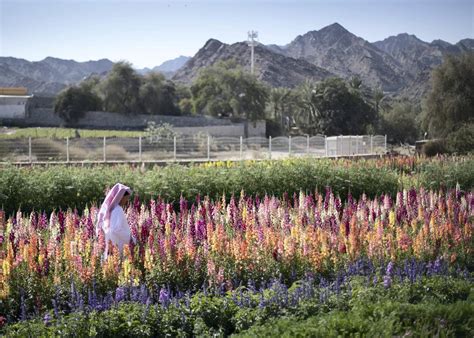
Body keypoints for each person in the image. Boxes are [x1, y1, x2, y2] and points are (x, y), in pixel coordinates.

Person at [96, 183, 132, 258]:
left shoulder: (108, 210)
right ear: (121, 197)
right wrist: (130, 238)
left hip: (108, 245)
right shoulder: (118, 209)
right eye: (126, 198)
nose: (127, 200)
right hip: (117, 245)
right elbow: (115, 230)